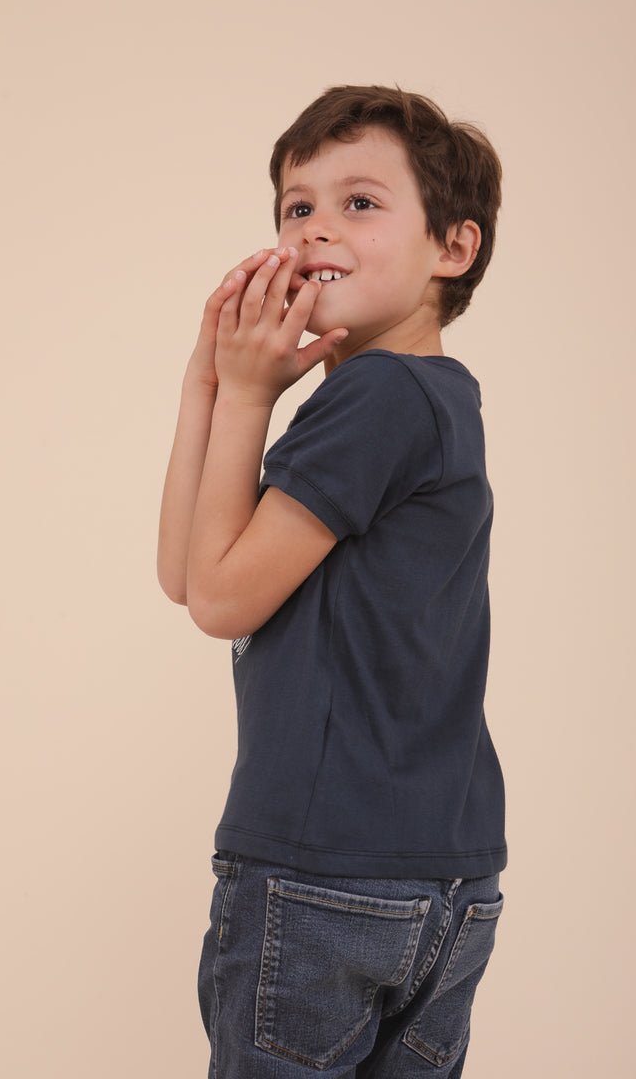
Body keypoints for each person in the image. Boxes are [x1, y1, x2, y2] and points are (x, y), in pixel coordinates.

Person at [158, 84, 507, 1079]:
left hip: (325, 871)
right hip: (446, 874)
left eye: (360, 202)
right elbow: (187, 571)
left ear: (454, 247)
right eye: (295, 206)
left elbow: (221, 600)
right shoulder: (434, 398)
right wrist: (215, 385)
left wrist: (254, 395)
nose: (315, 230)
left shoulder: (376, 397)